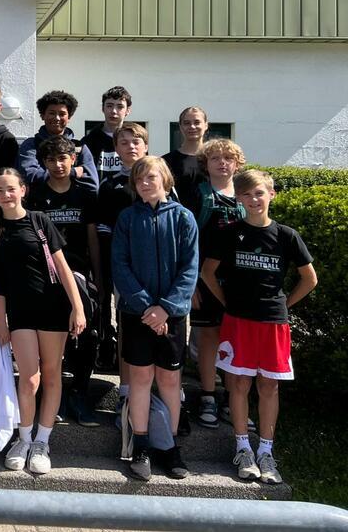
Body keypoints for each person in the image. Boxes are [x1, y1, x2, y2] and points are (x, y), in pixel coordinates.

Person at [202, 169, 317, 485]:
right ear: (239, 198)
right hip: (238, 320)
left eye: (260, 193)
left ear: (272, 194)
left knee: (269, 387)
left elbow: (310, 278)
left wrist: (285, 305)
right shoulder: (230, 233)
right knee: (238, 385)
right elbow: (207, 273)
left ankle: (266, 452)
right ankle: (243, 449)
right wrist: (227, 302)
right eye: (247, 194)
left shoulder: (287, 235)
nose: (254, 199)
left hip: (272, 323)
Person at [0, 168, 86, 475]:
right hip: (20, 312)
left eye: (11, 188)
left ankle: (43, 441)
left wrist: (77, 307)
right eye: (0, 190)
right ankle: (24, 438)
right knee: (29, 378)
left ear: (23, 190)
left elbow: (62, 266)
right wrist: (0, 319)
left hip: (53, 308)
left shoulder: (40, 220)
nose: (6, 194)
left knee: (52, 374)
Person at [112, 156, 198, 482]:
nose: (145, 183)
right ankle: (142, 445)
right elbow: (120, 264)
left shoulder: (183, 218)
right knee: (141, 379)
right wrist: (148, 307)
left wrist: (166, 308)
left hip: (172, 315)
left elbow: (190, 268)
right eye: (139, 179)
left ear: (165, 179)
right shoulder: (127, 218)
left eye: (151, 177)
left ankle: (170, 446)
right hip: (137, 314)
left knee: (170, 380)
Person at [25, 136, 101, 428]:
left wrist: (98, 279)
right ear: (43, 163)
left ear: (73, 161)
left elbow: (93, 239)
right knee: (49, 336)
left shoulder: (86, 194)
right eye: (51, 160)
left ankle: (79, 393)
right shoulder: (34, 195)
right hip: (44, 278)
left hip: (80, 274)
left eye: (63, 159)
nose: (58, 165)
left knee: (87, 335)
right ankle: (49, 394)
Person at [190, 138, 247, 430]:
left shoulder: (247, 195)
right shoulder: (198, 194)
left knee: (236, 340)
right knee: (209, 338)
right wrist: (192, 285)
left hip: (238, 282)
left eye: (228, 158)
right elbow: (188, 241)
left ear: (237, 163)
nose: (222, 163)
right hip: (204, 280)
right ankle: (208, 395)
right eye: (216, 158)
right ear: (206, 164)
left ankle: (232, 397)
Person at [93, 122, 149, 378]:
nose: (130, 147)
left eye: (136, 142)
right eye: (124, 142)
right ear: (115, 148)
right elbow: (102, 226)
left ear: (145, 146)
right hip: (121, 263)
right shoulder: (110, 184)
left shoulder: (161, 179)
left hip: (154, 263)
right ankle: (126, 383)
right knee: (125, 315)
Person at [18, 90, 98, 193]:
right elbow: (29, 175)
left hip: (74, 207)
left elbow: (92, 184)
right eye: (52, 113)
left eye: (62, 114)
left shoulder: (79, 147)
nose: (56, 118)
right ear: (42, 115)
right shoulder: (31, 145)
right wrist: (72, 173)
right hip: (39, 206)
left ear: (69, 117)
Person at [162, 106, 209, 214]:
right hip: (178, 221)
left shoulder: (215, 159)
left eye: (197, 122)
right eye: (187, 123)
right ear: (180, 126)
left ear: (206, 125)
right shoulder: (166, 161)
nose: (192, 126)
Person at [81, 86, 133, 185]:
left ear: (128, 110)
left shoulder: (135, 141)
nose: (113, 111)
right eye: (109, 106)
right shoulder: (88, 141)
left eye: (120, 106)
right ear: (102, 108)